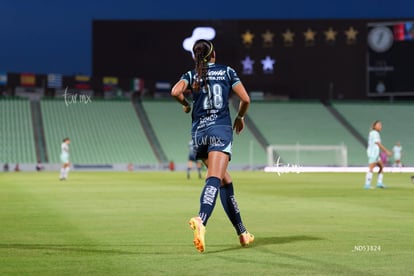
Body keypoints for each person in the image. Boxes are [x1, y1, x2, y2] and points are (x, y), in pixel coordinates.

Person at [171, 39, 253, 253]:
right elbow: (245, 99)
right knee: (215, 178)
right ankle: (201, 219)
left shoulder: (191, 75)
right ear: (214, 54)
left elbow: (174, 92)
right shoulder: (227, 72)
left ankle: (243, 233)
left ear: (195, 57)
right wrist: (240, 118)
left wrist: (186, 105)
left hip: (199, 134)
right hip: (219, 130)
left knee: (225, 180)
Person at [364, 120, 392, 189]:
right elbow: (377, 143)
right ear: (374, 126)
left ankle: (379, 183)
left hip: (375, 153)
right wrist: (386, 151)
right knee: (371, 167)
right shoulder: (374, 133)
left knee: (381, 166)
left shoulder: (374, 133)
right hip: (373, 153)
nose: (380, 126)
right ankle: (367, 185)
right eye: (379, 125)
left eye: (381, 125)